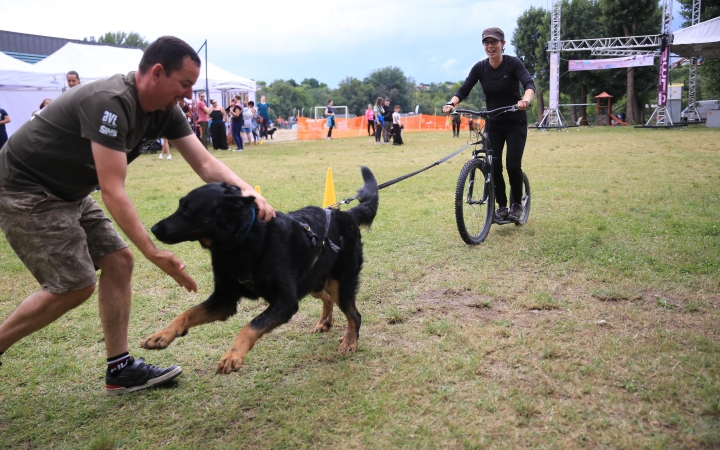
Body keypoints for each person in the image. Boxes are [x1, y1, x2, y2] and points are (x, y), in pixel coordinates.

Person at [0, 36, 275, 395]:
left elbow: (205, 162)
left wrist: (250, 192)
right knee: (74, 284)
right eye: (185, 84)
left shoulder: (165, 110)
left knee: (118, 262)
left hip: (68, 191)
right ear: (157, 73)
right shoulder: (110, 102)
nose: (190, 95)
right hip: (25, 189)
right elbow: (113, 191)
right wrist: (154, 251)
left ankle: (120, 370)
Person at [443, 27, 535, 222]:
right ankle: (502, 206)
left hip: (514, 121)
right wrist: (452, 103)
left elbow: (529, 84)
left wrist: (525, 100)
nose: (490, 46)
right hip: (494, 123)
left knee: (512, 164)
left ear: (503, 44)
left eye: (494, 42)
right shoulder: (480, 68)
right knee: (493, 166)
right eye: (486, 42)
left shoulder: (513, 64)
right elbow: (464, 89)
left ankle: (517, 203)